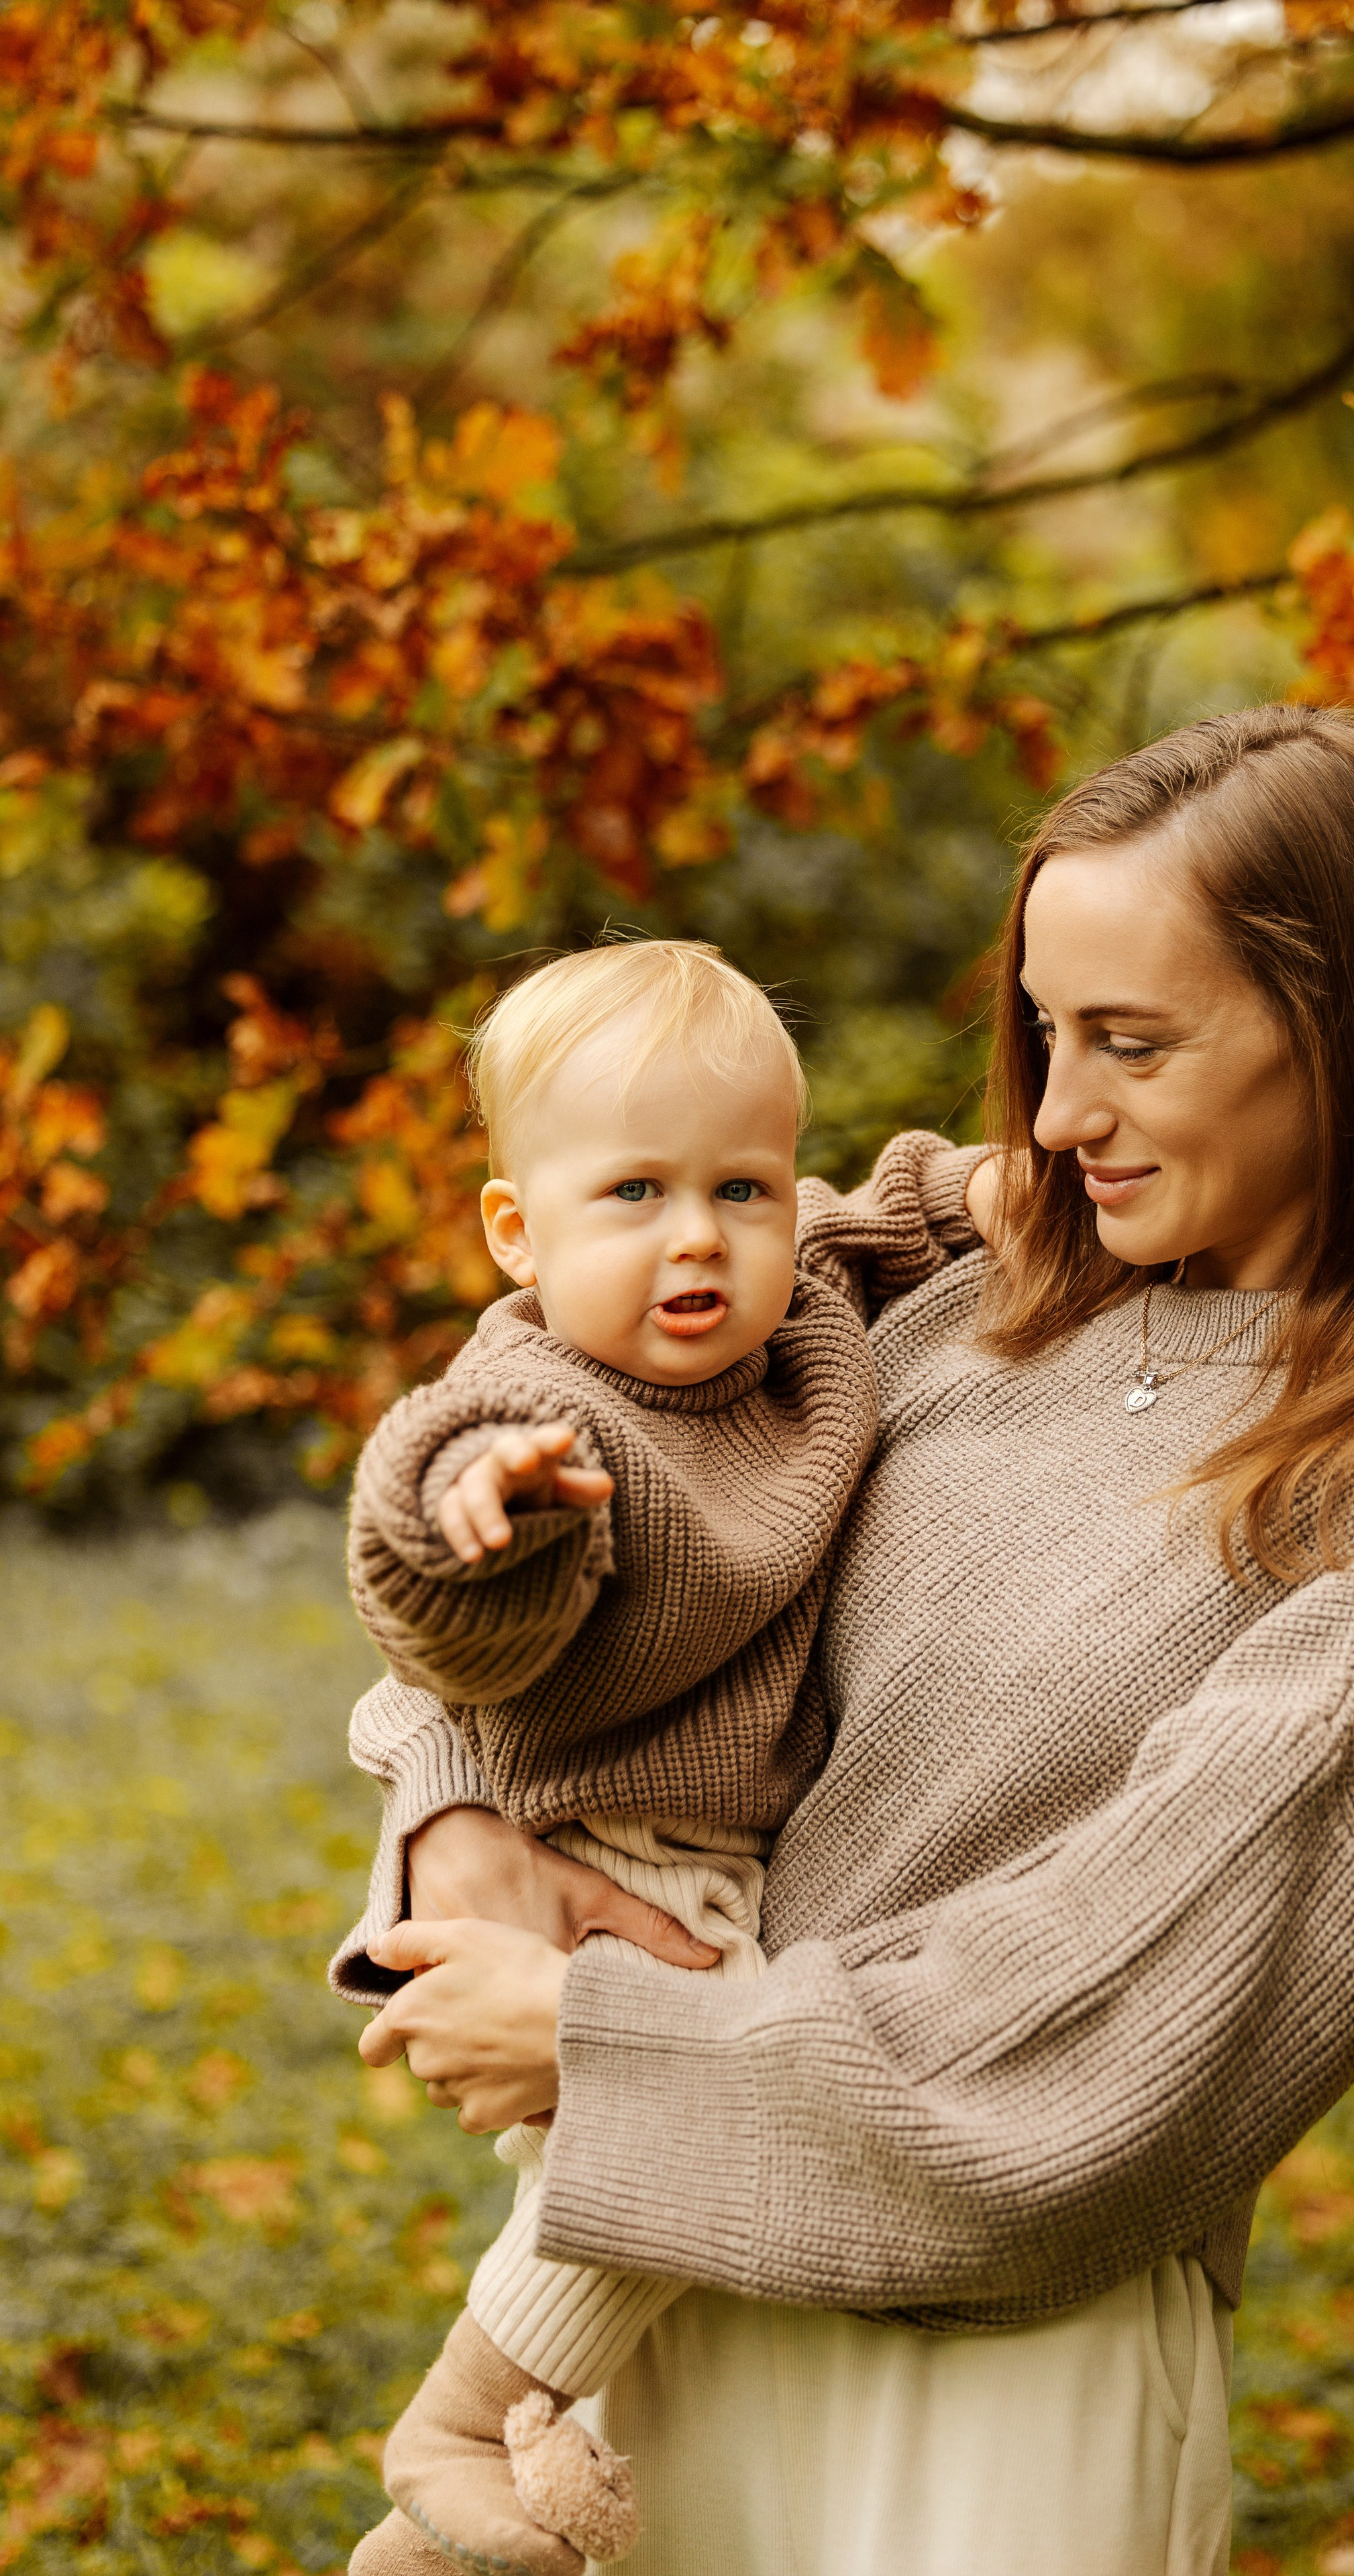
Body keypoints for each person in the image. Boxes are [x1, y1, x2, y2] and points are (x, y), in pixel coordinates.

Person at [355, 706, 1354, 2576]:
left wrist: (590, 2035)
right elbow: (584, 1546)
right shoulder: (961, 1293)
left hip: (990, 2399)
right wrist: (460, 1811)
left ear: (1345, 1038)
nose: (1049, 1112)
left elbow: (1123, 2045)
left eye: (1131, 1044)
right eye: (1045, 1031)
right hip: (657, 2286)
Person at [330, 938, 982, 2575]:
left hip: (690, 1845)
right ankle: (462, 2426)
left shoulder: (798, 1325)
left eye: (740, 1189)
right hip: (598, 1838)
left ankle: (489, 2497)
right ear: (516, 1232)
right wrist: (475, 1525)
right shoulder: (546, 1401)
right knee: (667, 2145)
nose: (697, 1237)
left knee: (629, 2196)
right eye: (630, 1193)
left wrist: (1000, 1189)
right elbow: (438, 1521)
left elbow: (890, 1201)